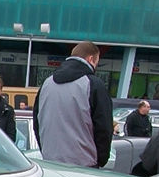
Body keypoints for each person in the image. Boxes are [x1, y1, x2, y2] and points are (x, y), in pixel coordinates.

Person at [33, 40, 112, 168]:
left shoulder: (47, 84)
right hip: (84, 166)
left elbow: (37, 122)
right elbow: (104, 127)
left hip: (51, 163)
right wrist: (100, 160)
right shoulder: (94, 85)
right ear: (91, 59)